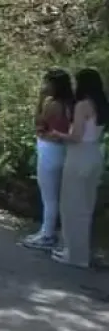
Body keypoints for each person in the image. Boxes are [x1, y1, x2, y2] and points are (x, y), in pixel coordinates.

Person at [42, 67, 108, 268]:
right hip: (95, 153)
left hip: (79, 154)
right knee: (86, 207)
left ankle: (74, 255)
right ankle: (80, 252)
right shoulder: (102, 105)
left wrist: (58, 135)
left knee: (71, 205)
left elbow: (76, 136)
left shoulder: (82, 105)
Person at [21, 68, 74, 250]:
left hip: (49, 151)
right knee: (58, 196)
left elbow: (39, 123)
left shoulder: (52, 104)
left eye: (47, 83)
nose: (45, 86)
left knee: (49, 197)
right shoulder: (71, 104)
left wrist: (40, 99)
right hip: (64, 151)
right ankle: (51, 232)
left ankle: (47, 234)